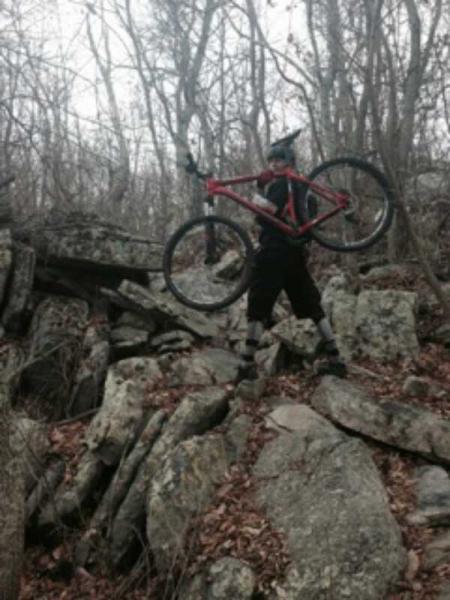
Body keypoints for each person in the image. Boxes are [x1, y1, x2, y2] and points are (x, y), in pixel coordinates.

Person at [236, 142, 347, 381]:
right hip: (295, 254)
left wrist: (256, 193)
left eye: (278, 160)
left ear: (288, 161)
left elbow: (269, 211)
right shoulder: (301, 185)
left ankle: (246, 362)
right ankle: (335, 358)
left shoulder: (281, 184)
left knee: (258, 304)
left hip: (273, 252)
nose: (273, 164)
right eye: (271, 160)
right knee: (311, 303)